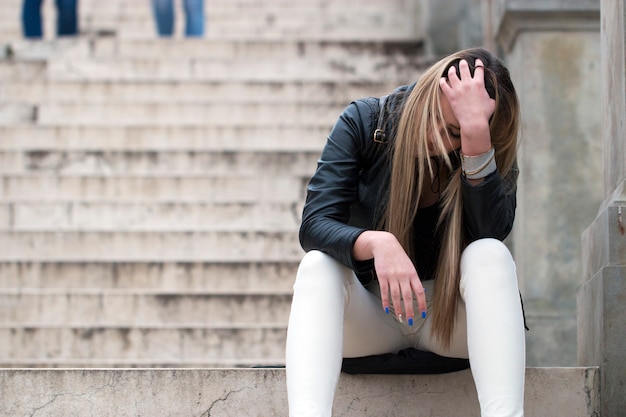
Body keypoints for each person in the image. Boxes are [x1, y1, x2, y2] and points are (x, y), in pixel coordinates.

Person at [285, 47, 527, 417]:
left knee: (490, 254)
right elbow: (315, 224)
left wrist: (477, 145)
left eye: (456, 135)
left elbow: (491, 234)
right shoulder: (366, 122)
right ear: (430, 90)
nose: (436, 136)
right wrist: (376, 243)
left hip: (450, 325)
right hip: (370, 319)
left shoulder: (485, 152)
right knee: (317, 265)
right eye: (439, 119)